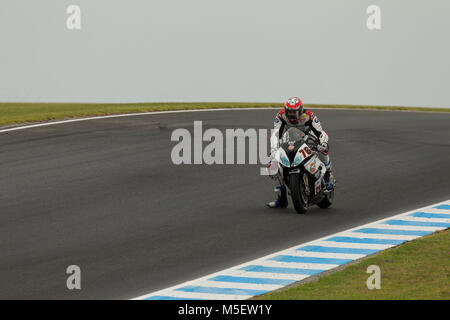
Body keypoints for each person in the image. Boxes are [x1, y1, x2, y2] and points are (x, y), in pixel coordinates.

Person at [266, 97, 335, 208]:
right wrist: (274, 150)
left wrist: (323, 142)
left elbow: (321, 132)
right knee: (272, 165)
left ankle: (328, 175)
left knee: (324, 149)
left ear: (300, 110)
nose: (291, 115)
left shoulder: (309, 116)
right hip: (290, 141)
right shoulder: (280, 116)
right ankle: (281, 198)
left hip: (309, 140)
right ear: (285, 110)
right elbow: (275, 134)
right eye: (289, 112)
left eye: (294, 112)